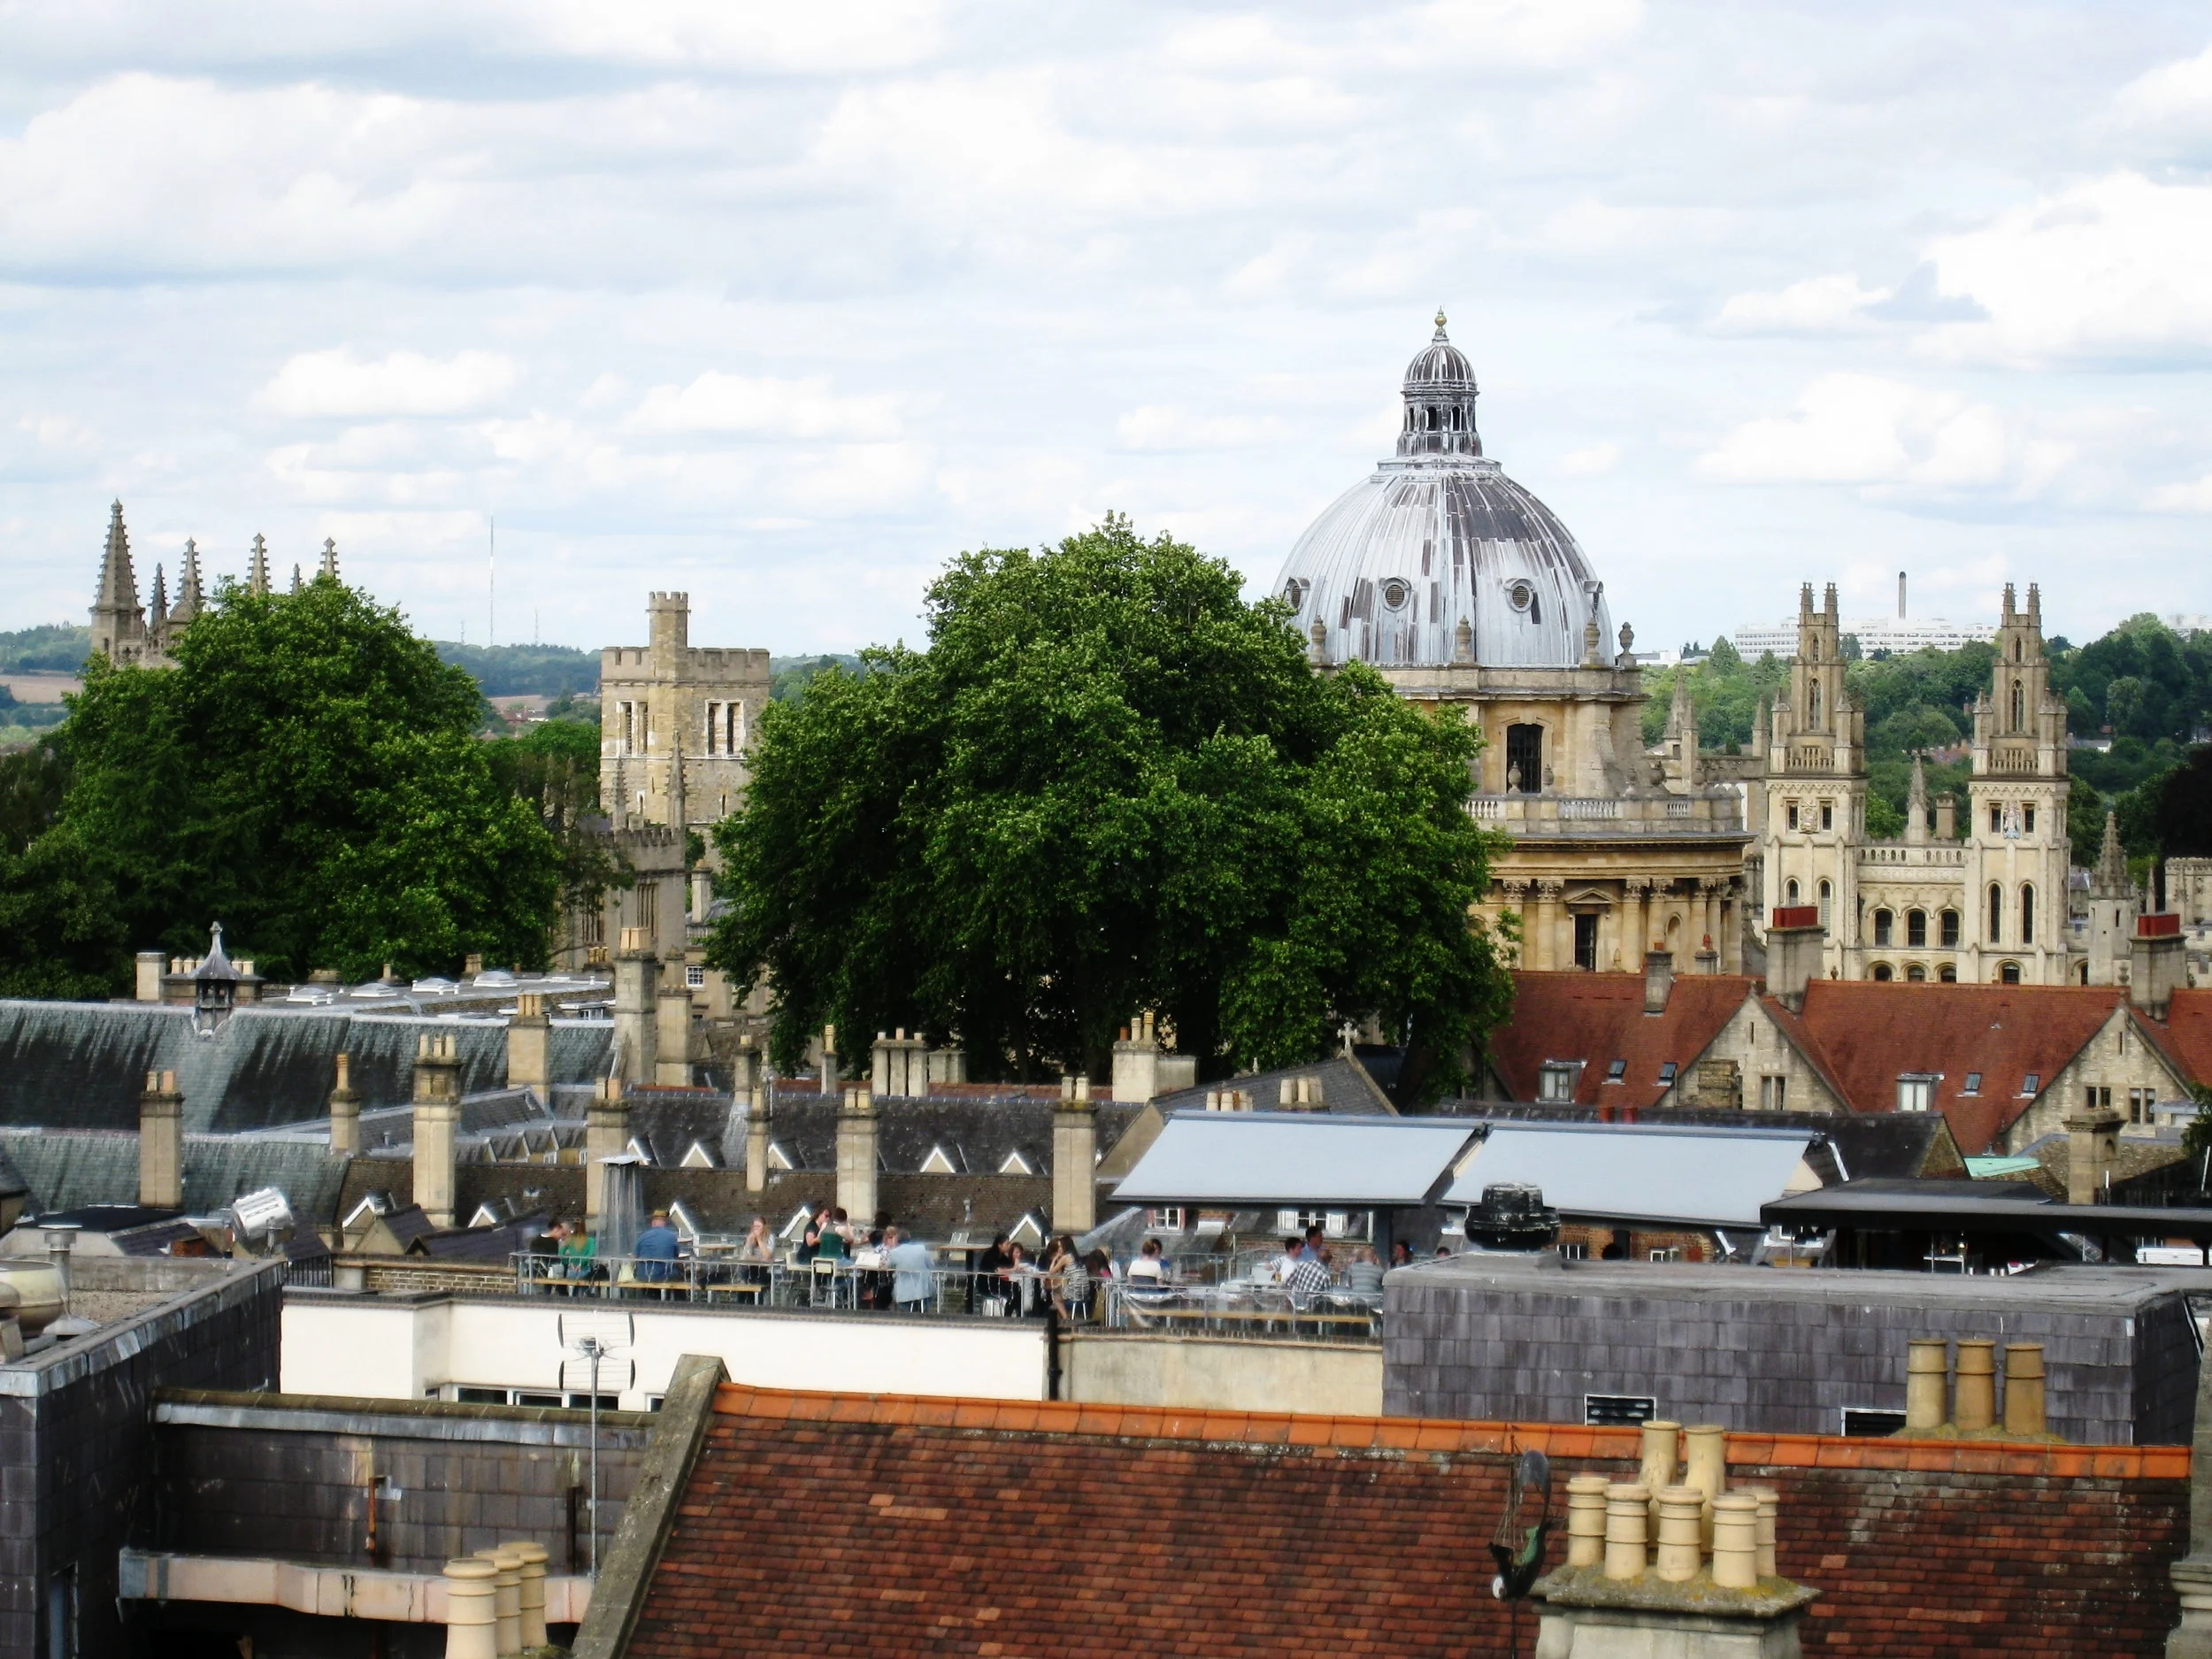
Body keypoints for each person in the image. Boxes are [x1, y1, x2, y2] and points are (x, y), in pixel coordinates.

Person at [886, 1225, 936, 1314]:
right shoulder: (921, 1249)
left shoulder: (894, 1253)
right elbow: (932, 1266)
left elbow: (888, 1267)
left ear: (897, 1240)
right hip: (924, 1290)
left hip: (904, 1293)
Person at [634, 1209, 681, 1286]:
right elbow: (676, 1255)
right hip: (663, 1277)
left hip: (642, 1277)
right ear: (665, 1222)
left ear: (653, 1223)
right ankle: (675, 1298)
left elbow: (634, 1256)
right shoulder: (671, 1236)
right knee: (679, 1275)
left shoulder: (643, 1236)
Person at [1048, 1235, 1088, 1322]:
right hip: (1084, 1291)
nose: (1059, 1249)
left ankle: (1065, 1318)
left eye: (1060, 1246)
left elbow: (1051, 1272)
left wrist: (1055, 1259)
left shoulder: (1065, 1257)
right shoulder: (1077, 1257)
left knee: (1056, 1296)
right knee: (1060, 1290)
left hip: (1075, 1292)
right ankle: (1066, 1316)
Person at [557, 1219, 597, 1286]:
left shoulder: (569, 1239)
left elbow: (561, 1254)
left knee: (571, 1290)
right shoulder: (590, 1240)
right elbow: (591, 1254)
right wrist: (581, 1263)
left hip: (572, 1268)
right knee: (581, 1291)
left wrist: (569, 1263)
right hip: (585, 1268)